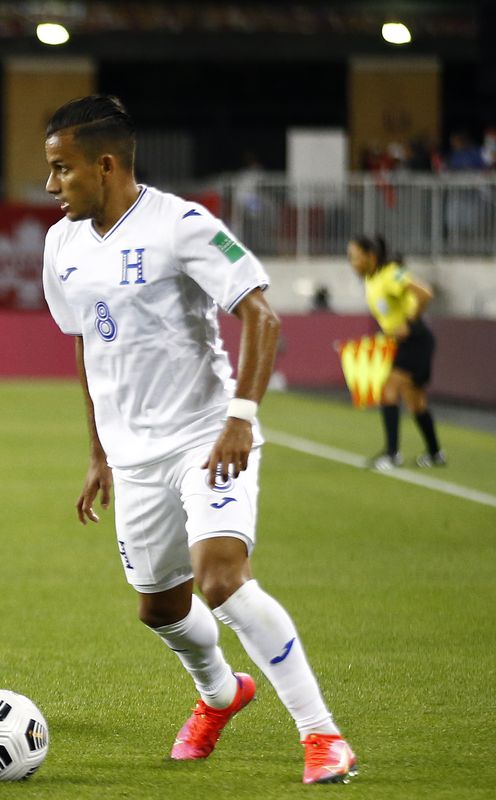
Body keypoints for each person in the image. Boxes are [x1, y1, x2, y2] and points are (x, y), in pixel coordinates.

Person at [41, 95, 357, 785]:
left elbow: (263, 317)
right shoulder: (60, 244)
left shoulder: (181, 226)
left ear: (104, 164)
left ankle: (322, 735)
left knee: (221, 579)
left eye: (61, 169)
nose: (50, 185)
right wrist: (98, 453)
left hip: (207, 438)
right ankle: (221, 693)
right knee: (159, 606)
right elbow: (84, 347)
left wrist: (241, 416)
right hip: (133, 454)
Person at [346, 235, 444, 469]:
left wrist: (409, 324)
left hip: (416, 339)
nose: (352, 263)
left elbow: (425, 293)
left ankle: (392, 454)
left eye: (355, 257)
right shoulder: (372, 279)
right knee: (416, 403)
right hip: (405, 342)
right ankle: (435, 453)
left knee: (388, 389)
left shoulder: (390, 273)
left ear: (371, 256)